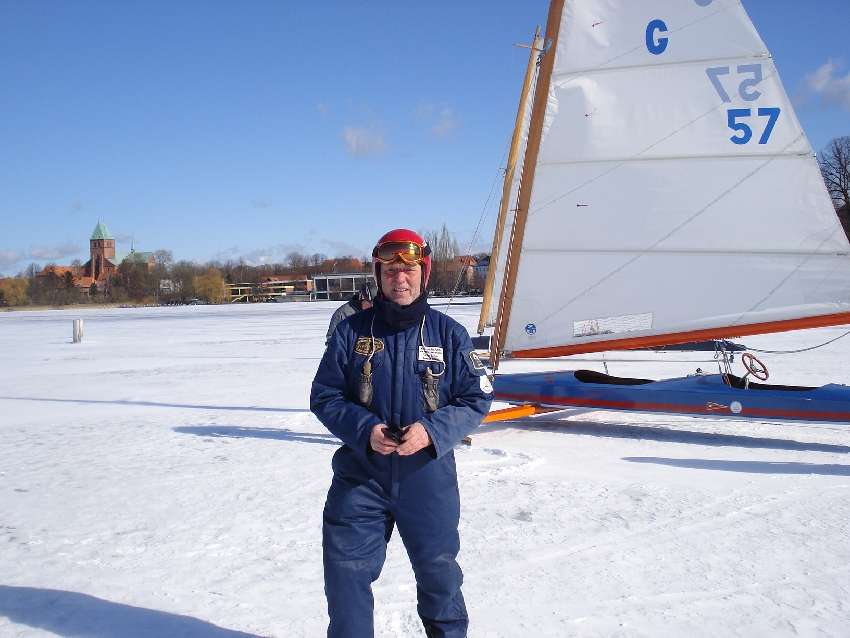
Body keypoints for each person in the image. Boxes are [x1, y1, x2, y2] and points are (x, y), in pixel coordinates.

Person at [311, 228, 493, 638]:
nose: (400, 278)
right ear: (378, 275)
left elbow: (477, 397)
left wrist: (431, 432)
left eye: (409, 270)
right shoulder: (351, 332)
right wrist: (365, 430)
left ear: (423, 274)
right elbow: (325, 395)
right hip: (361, 477)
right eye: (390, 271)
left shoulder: (449, 334)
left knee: (439, 576)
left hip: (427, 480)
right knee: (345, 574)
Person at [325, 280, 377, 345]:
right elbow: (332, 339)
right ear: (361, 299)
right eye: (370, 303)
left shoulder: (377, 313)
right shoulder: (343, 313)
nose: (372, 307)